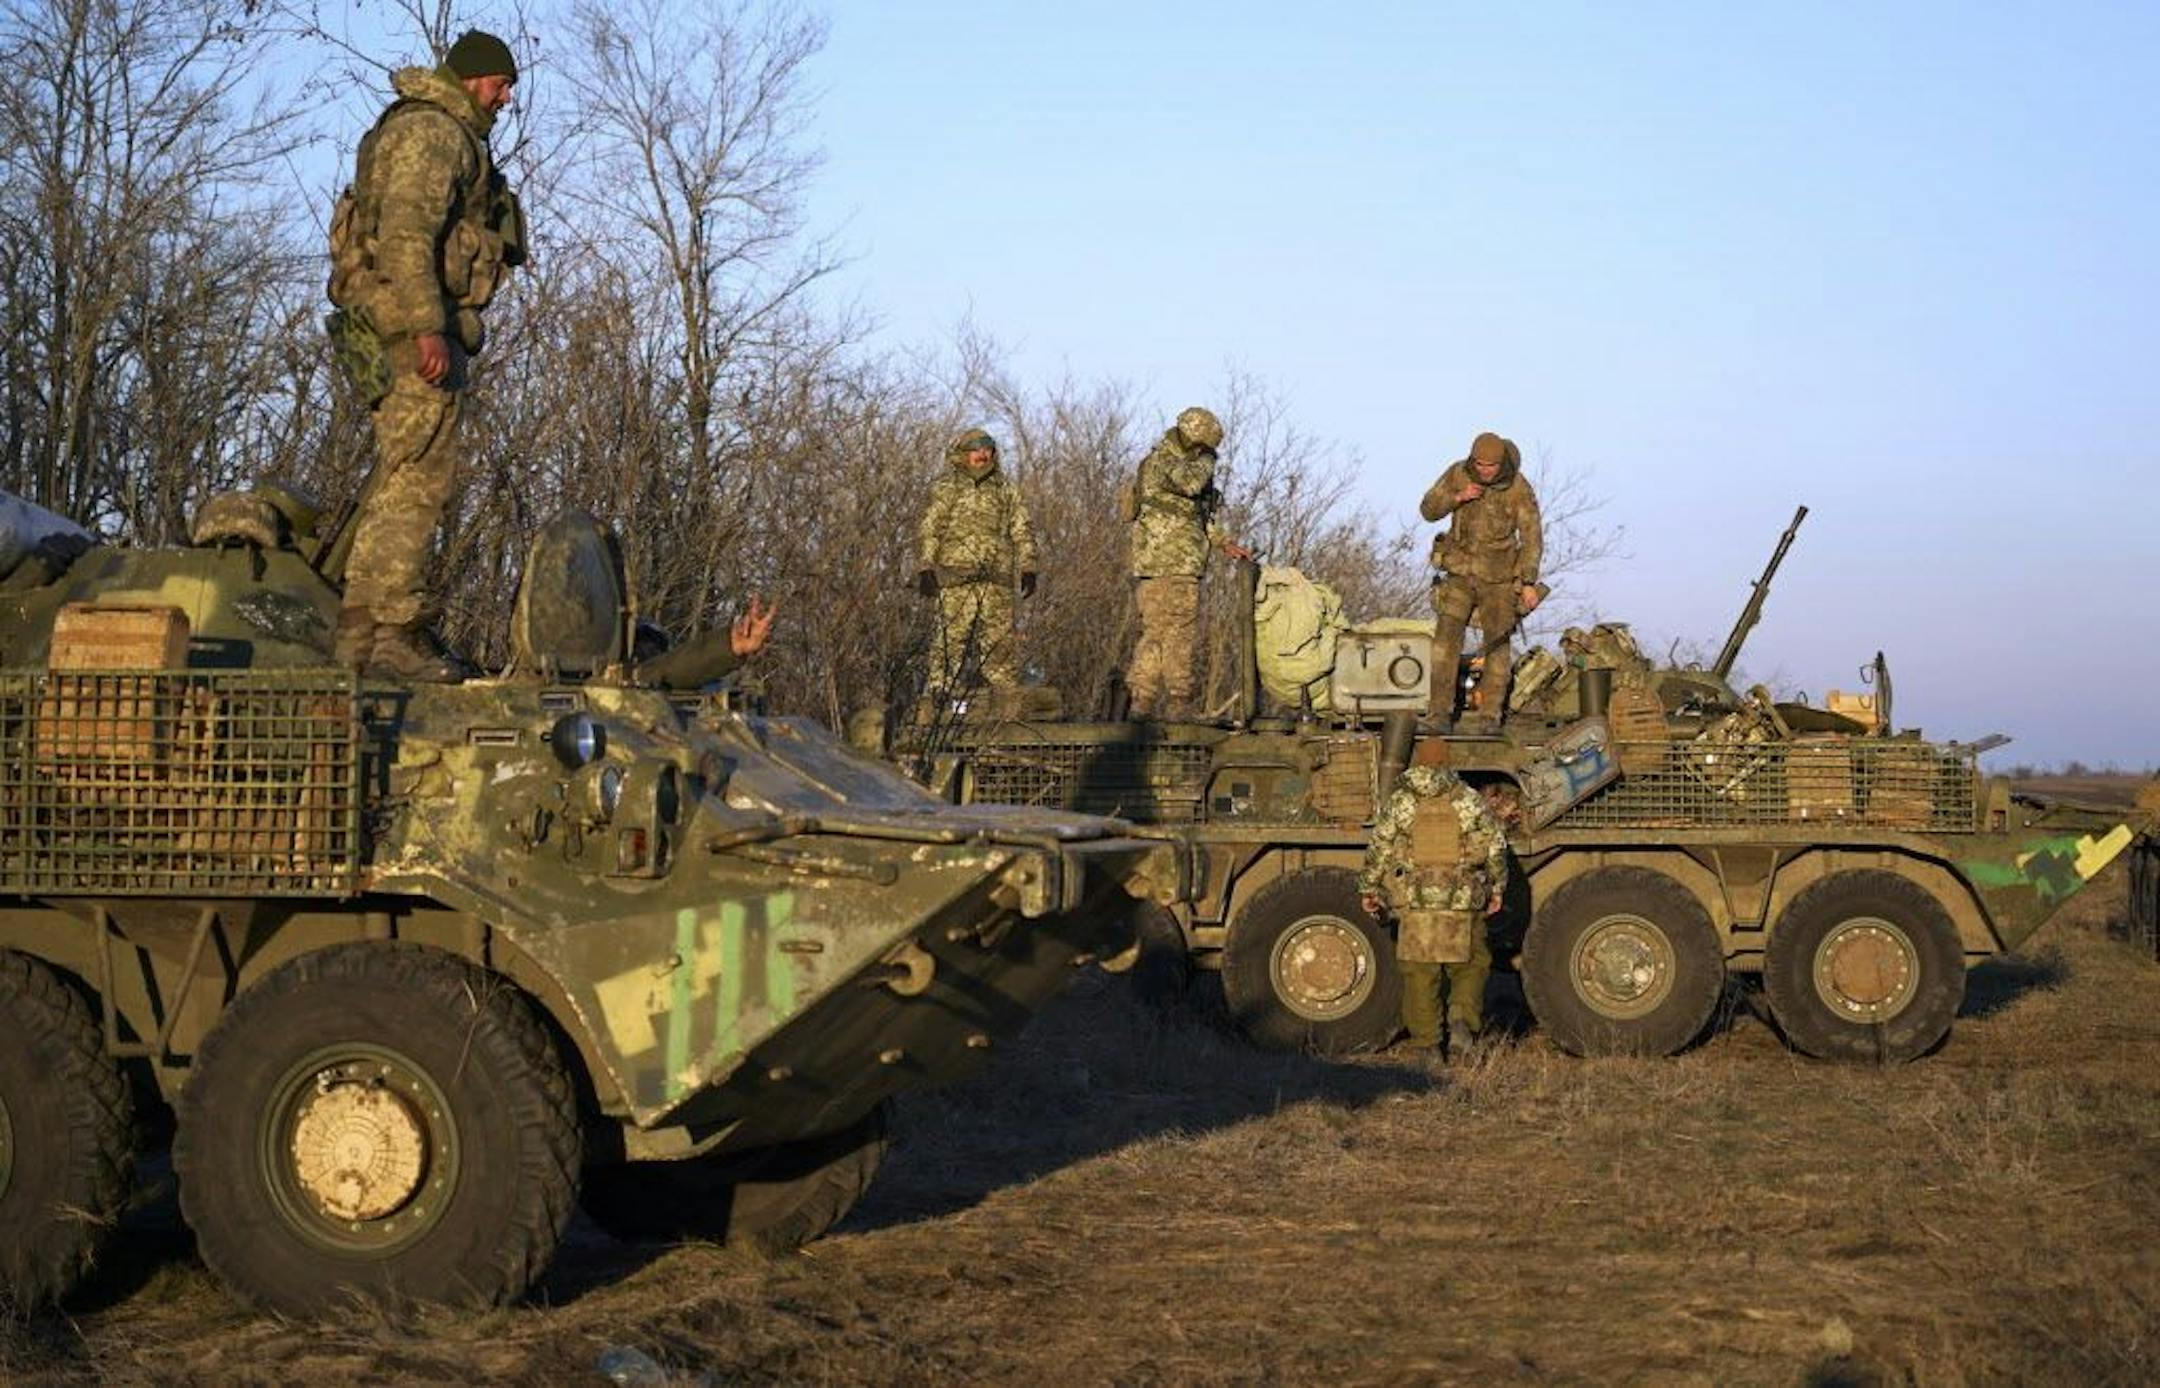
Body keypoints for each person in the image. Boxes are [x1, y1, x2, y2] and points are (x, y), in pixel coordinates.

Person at [326, 30, 526, 679]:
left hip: (395, 323)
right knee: (416, 480)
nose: (506, 98)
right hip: (409, 330)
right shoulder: (435, 132)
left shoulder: (435, 129)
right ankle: (387, 631)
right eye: (502, 84)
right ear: (474, 78)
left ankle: (364, 640)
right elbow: (409, 236)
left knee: (403, 472)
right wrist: (427, 326)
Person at [1358, 739, 1510, 1060]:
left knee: (1420, 974)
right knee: (1470, 965)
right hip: (1463, 900)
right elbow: (1495, 846)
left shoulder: (1401, 802)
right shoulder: (1467, 799)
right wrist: (1497, 887)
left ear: (1417, 763)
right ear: (1447, 762)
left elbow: (1380, 847)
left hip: (1416, 903)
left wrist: (1369, 888)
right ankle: (1461, 1023)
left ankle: (1427, 1044)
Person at [1125, 406, 1250, 719]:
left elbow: (1199, 515)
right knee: (1178, 632)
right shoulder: (1165, 460)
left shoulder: (1170, 461)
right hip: (1172, 563)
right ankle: (1179, 700)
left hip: (1163, 564)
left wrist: (1224, 543)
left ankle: (1142, 702)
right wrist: (1209, 459)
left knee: (1157, 633)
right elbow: (1190, 485)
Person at [1420, 431, 1544, 731]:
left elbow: (1531, 536)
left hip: (1499, 579)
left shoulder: (1517, 487)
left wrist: (1528, 581)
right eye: (1480, 463)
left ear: (1501, 464)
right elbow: (1428, 510)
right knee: (1444, 645)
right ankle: (1438, 714)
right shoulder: (1457, 474)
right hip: (1460, 573)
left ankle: (1490, 717)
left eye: (1491, 465)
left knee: (1497, 647)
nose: (1485, 470)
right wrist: (1458, 497)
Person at [916, 428, 1036, 716]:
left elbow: (1022, 529)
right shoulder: (946, 487)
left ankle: (1005, 714)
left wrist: (1029, 566)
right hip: (955, 578)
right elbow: (931, 528)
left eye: (988, 450)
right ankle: (936, 706)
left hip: (997, 579)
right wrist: (925, 566)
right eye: (976, 449)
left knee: (1000, 647)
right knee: (948, 644)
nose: (983, 455)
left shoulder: (1006, 489)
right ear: (963, 454)